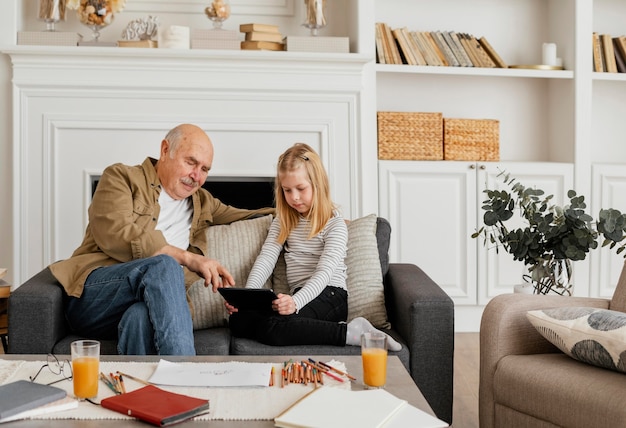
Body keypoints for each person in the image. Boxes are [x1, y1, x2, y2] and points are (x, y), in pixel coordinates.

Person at [49, 124, 274, 355]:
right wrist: (189, 258)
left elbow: (250, 213)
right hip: (94, 298)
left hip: (143, 304)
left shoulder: (202, 203)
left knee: (140, 316)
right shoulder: (121, 177)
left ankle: (146, 388)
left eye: (205, 169)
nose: (196, 176)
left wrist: (301, 208)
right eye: (191, 162)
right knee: (165, 265)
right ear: (165, 150)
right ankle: (186, 377)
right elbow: (113, 232)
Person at [225, 143, 401, 351]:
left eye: (301, 189)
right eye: (287, 190)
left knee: (276, 328)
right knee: (238, 321)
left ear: (318, 185)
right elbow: (266, 259)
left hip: (330, 296)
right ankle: (311, 325)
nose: (294, 197)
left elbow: (324, 272)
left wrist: (296, 302)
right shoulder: (283, 222)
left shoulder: (334, 225)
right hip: (300, 295)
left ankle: (350, 333)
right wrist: (247, 301)